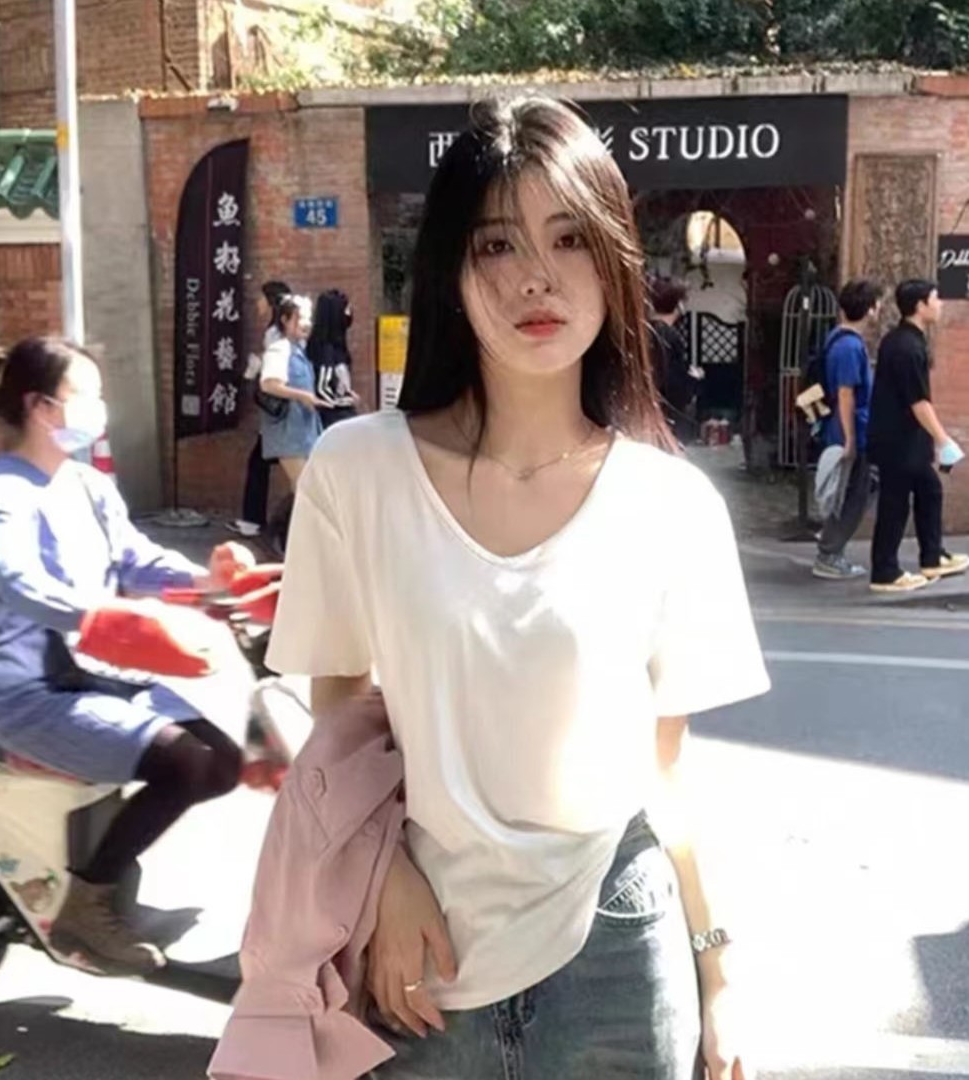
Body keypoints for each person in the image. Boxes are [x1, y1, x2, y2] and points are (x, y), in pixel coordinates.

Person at [266, 97, 769, 1079]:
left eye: (570, 238)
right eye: (497, 244)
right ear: (452, 274)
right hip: (419, 961)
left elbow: (666, 772)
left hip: (620, 953)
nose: (537, 277)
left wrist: (717, 973)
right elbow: (336, 708)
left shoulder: (672, 505)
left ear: (614, 262)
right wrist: (383, 877)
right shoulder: (359, 470)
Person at [0, 338, 251, 975]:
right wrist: (105, 619)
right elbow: (18, 582)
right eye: (86, 394)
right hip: (35, 693)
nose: (99, 407)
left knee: (224, 760)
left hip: (101, 675)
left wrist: (211, 581)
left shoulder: (87, 485)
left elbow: (135, 560)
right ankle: (85, 906)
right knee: (184, 762)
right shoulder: (2, 494)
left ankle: (109, 866)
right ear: (41, 407)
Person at [868, 279, 969, 594]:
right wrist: (943, 439)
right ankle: (885, 571)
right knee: (894, 504)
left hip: (905, 438)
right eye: (935, 299)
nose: (940, 305)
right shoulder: (907, 347)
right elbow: (918, 401)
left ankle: (932, 556)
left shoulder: (904, 340)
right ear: (920, 306)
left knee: (929, 490)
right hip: (898, 440)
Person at [811, 279, 883, 581]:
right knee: (851, 495)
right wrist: (850, 438)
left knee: (853, 491)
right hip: (851, 431)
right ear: (871, 309)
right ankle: (829, 554)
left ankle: (830, 548)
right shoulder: (850, 347)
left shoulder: (837, 340)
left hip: (846, 428)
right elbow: (845, 394)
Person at [229, 278, 291, 540]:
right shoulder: (283, 331)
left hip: (279, 413)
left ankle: (254, 521)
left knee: (263, 464)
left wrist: (257, 367)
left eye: (262, 298)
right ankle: (255, 520)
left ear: (271, 302)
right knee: (264, 463)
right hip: (285, 412)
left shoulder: (274, 333)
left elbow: (277, 369)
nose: (258, 303)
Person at [258, 294, 326, 493]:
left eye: (308, 318)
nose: (306, 324)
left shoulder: (299, 349)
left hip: (304, 430)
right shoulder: (279, 349)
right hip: (287, 431)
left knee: (304, 489)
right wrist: (303, 396)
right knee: (307, 489)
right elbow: (269, 384)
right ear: (284, 320)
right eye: (300, 318)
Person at [649, 277, 702, 443]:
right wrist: (693, 379)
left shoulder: (642, 331)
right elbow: (674, 382)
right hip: (666, 413)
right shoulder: (670, 337)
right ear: (679, 304)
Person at [307, 288, 360, 428]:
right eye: (346, 309)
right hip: (333, 419)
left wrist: (348, 393)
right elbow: (322, 389)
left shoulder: (337, 346)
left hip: (340, 415)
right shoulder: (325, 349)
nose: (349, 313)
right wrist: (346, 400)